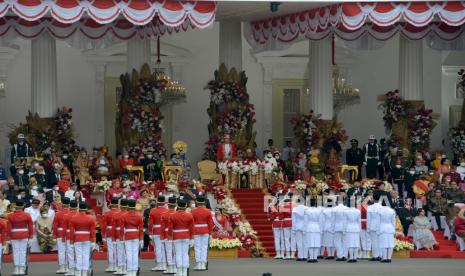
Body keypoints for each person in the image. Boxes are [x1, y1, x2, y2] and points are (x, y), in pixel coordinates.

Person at [6, 199, 33, 275]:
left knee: (16, 252)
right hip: (24, 234)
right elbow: (30, 226)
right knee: (23, 252)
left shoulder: (10, 215)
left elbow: (9, 228)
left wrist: (8, 238)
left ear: (15, 206)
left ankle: (16, 269)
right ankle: (22, 269)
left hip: (14, 235)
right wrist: (31, 237)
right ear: (23, 206)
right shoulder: (27, 215)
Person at [168, 199, 194, 276]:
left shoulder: (173, 215)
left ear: (177, 206)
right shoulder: (189, 215)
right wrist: (192, 238)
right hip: (186, 236)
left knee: (178, 254)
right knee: (185, 254)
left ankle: (179, 272)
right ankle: (184, 272)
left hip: (176, 236)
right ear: (185, 206)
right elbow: (192, 228)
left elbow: (170, 229)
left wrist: (170, 238)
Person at [69, 202, 96, 275]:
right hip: (87, 238)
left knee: (78, 255)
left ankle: (78, 272)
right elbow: (93, 231)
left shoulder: (73, 218)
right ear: (86, 209)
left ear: (79, 208)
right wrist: (93, 241)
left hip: (77, 238)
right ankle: (84, 272)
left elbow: (72, 231)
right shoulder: (90, 218)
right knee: (86, 255)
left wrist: (71, 242)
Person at [119, 199, 143, 276]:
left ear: (128, 206)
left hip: (127, 235)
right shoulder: (139, 215)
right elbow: (141, 228)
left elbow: (122, 228)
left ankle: (129, 271)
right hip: (136, 234)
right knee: (135, 254)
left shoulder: (124, 215)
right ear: (135, 206)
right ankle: (134, 271)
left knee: (128, 254)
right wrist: (141, 239)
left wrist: (121, 238)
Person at [191, 195, 214, 271]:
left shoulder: (193, 211)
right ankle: (203, 264)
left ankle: (198, 264)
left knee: (197, 247)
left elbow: (191, 222)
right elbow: (210, 223)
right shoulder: (208, 211)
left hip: (196, 230)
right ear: (204, 202)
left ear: (197, 202)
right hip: (205, 230)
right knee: (204, 247)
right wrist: (210, 232)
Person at [147, 194, 169, 272]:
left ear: (157, 201)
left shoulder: (153, 210)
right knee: (165, 248)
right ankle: (164, 264)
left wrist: (150, 232)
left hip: (156, 231)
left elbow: (150, 223)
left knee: (158, 248)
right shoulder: (167, 210)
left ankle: (160, 265)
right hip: (165, 231)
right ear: (164, 202)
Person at [101, 197, 120, 273]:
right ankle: (118, 266)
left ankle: (111, 266)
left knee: (111, 249)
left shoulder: (107, 213)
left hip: (109, 232)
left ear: (111, 204)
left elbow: (103, 226)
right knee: (119, 249)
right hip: (118, 232)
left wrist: (103, 235)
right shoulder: (120, 212)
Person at [53, 197, 70, 274]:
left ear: (62, 203)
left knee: (61, 251)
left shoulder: (58, 213)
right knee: (70, 251)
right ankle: (70, 267)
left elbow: (55, 226)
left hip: (60, 233)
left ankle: (62, 267)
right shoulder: (72, 212)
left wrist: (54, 235)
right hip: (69, 233)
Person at [161, 197, 177, 274]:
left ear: (168, 204)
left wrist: (162, 237)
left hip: (167, 233)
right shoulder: (177, 214)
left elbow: (163, 228)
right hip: (176, 233)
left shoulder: (164, 214)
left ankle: (170, 267)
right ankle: (174, 267)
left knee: (168, 251)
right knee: (175, 251)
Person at [112, 199, 128, 275]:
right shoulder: (129, 214)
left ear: (120, 205)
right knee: (126, 252)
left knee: (119, 252)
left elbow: (114, 228)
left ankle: (120, 268)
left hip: (118, 234)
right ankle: (125, 268)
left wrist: (113, 238)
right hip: (128, 234)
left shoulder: (116, 215)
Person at [378, 195, 396, 263]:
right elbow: (393, 222)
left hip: (382, 228)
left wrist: (378, 230)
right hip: (390, 228)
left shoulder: (379, 210)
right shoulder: (392, 211)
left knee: (383, 243)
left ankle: (384, 258)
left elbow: (378, 222)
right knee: (390, 244)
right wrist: (394, 230)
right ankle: (389, 258)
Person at [63, 200, 79, 276]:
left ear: (70, 206)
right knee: (78, 253)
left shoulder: (66, 215)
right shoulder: (79, 214)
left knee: (70, 253)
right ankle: (78, 269)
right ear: (77, 206)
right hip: (78, 235)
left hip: (69, 235)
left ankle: (71, 270)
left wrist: (63, 237)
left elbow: (64, 228)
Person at [367, 191, 383, 261]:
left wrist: (368, 227)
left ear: (373, 199)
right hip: (380, 226)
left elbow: (368, 218)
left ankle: (375, 256)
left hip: (372, 225)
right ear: (380, 199)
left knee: (374, 241)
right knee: (380, 241)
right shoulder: (382, 207)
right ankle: (380, 255)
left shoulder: (370, 207)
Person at [332, 196, 348, 261]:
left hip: (337, 226)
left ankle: (340, 255)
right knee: (345, 241)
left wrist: (332, 228)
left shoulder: (334, 209)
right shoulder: (347, 208)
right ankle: (345, 255)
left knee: (337, 241)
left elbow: (332, 220)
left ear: (337, 201)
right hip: (345, 226)